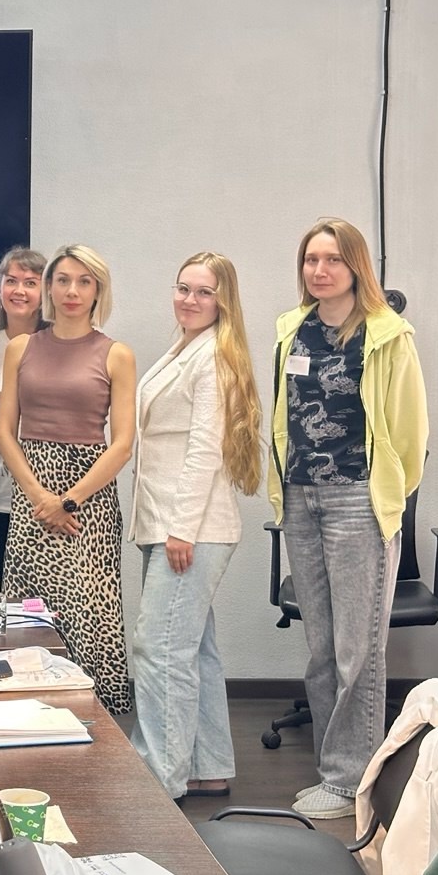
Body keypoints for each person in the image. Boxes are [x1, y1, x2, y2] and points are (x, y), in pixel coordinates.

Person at [270, 218, 428, 819]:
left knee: (357, 649)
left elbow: (411, 433)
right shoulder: (293, 329)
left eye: (333, 259)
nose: (320, 270)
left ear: (356, 267)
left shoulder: (387, 335)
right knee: (321, 647)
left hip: (357, 500)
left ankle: (350, 781)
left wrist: (384, 496)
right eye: (311, 259)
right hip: (300, 499)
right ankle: (331, 771)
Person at [127, 252, 263, 800]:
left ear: (222, 301)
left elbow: (205, 448)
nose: (190, 299)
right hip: (169, 522)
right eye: (183, 288)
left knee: (159, 650)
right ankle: (207, 766)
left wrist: (181, 528)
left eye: (204, 292)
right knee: (192, 650)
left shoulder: (213, 356)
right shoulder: (186, 348)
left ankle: (160, 779)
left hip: (189, 529)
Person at [0, 245, 136, 714]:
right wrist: (39, 495)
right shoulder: (21, 348)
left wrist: (68, 500)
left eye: (84, 281)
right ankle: (27, 713)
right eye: (63, 280)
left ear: (98, 290)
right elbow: (5, 431)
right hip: (32, 495)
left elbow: (122, 443)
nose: (72, 290)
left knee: (87, 610)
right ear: (49, 288)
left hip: (89, 500)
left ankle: (92, 719)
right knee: (30, 611)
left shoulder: (116, 354)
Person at [0, 247, 48, 588]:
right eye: (11, 281)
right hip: (0, 487)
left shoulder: (60, 344)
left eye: (30, 283)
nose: (19, 290)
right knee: (9, 587)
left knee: (52, 590)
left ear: (45, 292)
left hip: (50, 487)